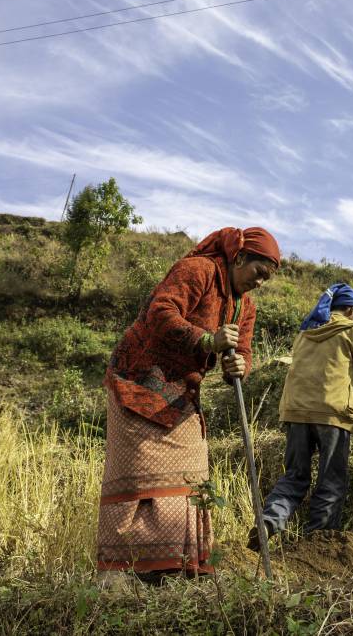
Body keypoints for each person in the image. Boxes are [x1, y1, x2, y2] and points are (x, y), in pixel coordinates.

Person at [97, 227, 280, 584]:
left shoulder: (245, 306)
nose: (260, 283)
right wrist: (207, 340)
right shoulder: (197, 270)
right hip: (138, 384)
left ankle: (179, 568)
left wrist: (237, 366)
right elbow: (160, 312)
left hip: (182, 396)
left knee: (191, 478)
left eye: (267, 279)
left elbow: (242, 349)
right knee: (138, 477)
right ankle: (125, 575)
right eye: (259, 273)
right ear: (240, 257)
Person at [252, 283, 353, 550]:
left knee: (294, 476)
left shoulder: (305, 333)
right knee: (331, 481)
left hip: (296, 413)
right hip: (333, 415)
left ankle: (269, 521)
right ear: (351, 310)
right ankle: (318, 546)